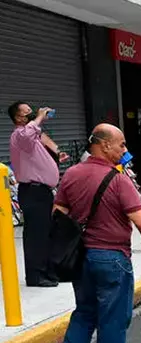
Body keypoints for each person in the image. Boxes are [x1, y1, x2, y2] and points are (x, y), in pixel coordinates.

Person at [53, 124, 141, 343]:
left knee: (84, 311)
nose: (124, 150)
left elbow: (58, 212)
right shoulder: (118, 180)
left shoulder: (71, 174)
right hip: (112, 258)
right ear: (105, 145)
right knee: (113, 318)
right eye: (122, 144)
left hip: (81, 257)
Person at [7, 101, 67, 287]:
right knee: (36, 236)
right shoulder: (19, 135)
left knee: (46, 233)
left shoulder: (32, 135)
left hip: (43, 191)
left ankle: (47, 271)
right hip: (32, 191)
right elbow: (28, 134)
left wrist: (58, 150)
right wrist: (40, 117)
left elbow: (42, 136)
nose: (32, 114)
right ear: (18, 118)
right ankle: (35, 276)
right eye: (28, 113)